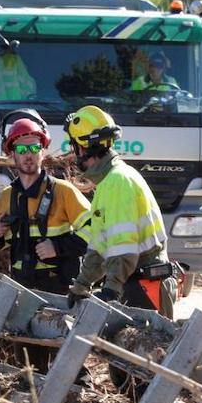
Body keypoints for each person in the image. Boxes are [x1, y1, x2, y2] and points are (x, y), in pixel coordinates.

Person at [64, 105, 179, 319]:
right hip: (136, 282)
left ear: (82, 148)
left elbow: (123, 248)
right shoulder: (109, 181)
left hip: (143, 287)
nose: (73, 153)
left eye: (73, 146)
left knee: (144, 351)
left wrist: (111, 290)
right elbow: (100, 246)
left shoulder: (117, 182)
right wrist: (82, 285)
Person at [0, 116, 91, 294]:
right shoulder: (6, 197)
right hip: (21, 286)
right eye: (21, 148)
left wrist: (57, 248)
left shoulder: (63, 191)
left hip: (60, 286)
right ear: (12, 154)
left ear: (43, 151)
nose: (28, 154)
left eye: (34, 147)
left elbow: (95, 230)